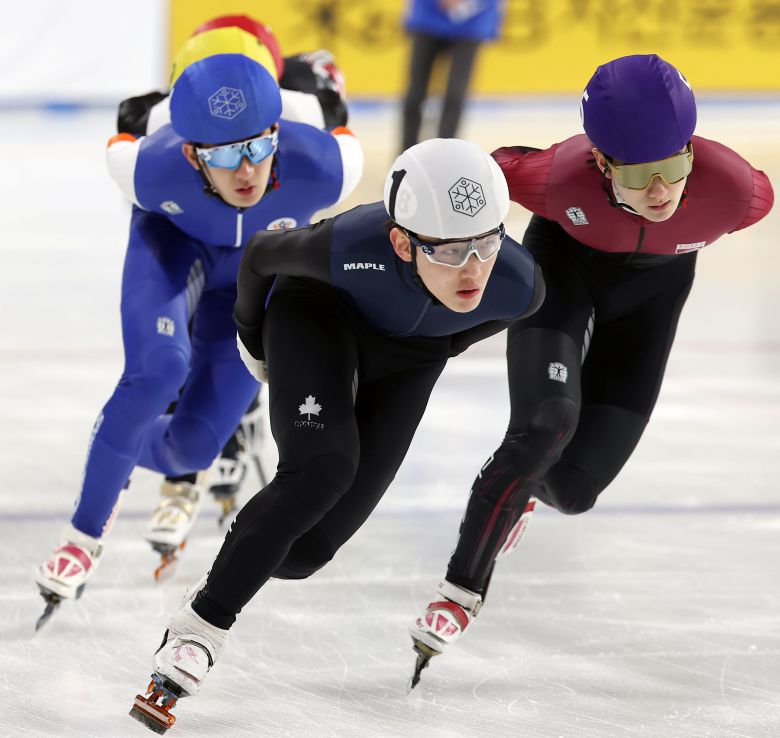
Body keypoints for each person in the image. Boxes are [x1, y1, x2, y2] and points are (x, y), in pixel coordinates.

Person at [128, 137, 545, 733]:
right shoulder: (348, 246)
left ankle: (241, 555)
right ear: (402, 241)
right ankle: (198, 629)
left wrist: (434, 350)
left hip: (411, 355)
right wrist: (253, 339)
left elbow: (494, 314)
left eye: (486, 243)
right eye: (451, 252)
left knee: (300, 555)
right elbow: (261, 258)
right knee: (324, 466)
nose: (474, 267)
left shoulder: (518, 283)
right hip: (316, 317)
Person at [407, 53, 775, 687]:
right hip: (564, 277)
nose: (661, 192)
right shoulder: (553, 178)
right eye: (639, 175)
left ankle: (520, 490)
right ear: (601, 163)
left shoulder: (739, 191)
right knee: (545, 425)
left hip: (650, 306)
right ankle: (458, 594)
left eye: (673, 167)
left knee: (572, 491)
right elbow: (470, 177)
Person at [33, 52, 363, 627]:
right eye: (225, 155)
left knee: (192, 449)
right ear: (191, 154)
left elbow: (339, 127)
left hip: (250, 279)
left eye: (259, 147)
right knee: (157, 371)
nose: (247, 171)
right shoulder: (145, 170)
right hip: (172, 252)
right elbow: (125, 136)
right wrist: (139, 117)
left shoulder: (329, 166)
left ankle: (123, 434)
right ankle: (82, 538)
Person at [116, 14, 353, 563]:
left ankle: (228, 425)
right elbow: (140, 188)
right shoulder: (148, 112)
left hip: (269, 218)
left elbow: (338, 148)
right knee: (185, 329)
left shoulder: (304, 94)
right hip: (204, 223)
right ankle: (184, 474)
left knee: (256, 319)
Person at [400, 0, 504, 151]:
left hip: (472, 20)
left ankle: (446, 153)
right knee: (415, 95)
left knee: (455, 95)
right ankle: (406, 153)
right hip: (428, 15)